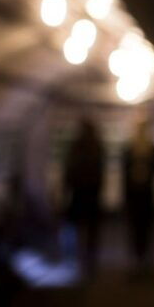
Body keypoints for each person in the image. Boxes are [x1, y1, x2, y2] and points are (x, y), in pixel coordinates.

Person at [122, 119, 154, 275]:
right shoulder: (134, 148)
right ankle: (140, 261)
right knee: (139, 230)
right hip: (140, 196)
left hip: (143, 196)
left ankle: (143, 262)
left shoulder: (145, 148)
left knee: (143, 229)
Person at [63, 117, 105, 277]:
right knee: (91, 230)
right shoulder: (97, 146)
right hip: (92, 194)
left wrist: (67, 188)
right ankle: (90, 260)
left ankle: (77, 258)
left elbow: (69, 169)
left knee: (78, 227)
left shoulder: (77, 146)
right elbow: (100, 173)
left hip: (79, 193)